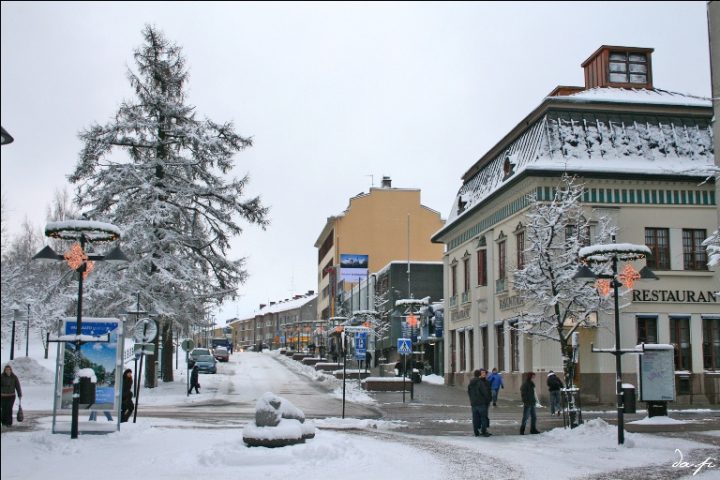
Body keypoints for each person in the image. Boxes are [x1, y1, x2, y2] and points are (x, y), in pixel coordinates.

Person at [467, 368, 492, 437]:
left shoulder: (471, 382)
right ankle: (484, 431)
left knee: (475, 418)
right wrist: (487, 399)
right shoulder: (480, 383)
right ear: (479, 375)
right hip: (481, 403)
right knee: (483, 418)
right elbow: (485, 393)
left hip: (474, 403)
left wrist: (472, 400)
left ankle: (476, 432)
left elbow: (469, 392)